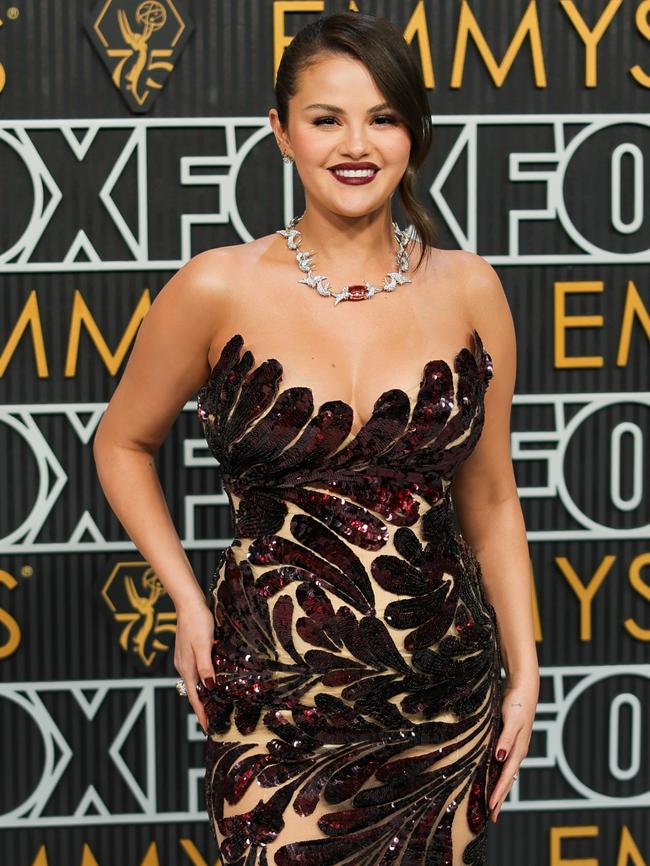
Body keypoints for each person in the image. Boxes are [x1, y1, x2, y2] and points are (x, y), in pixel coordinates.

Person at [93, 10, 539, 865]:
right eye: (326, 118)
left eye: (382, 117)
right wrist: (188, 601)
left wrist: (526, 672)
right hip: (275, 698)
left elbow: (491, 501)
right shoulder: (215, 286)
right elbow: (121, 442)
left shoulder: (473, 288)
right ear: (281, 132)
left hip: (445, 695)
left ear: (414, 132)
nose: (355, 143)